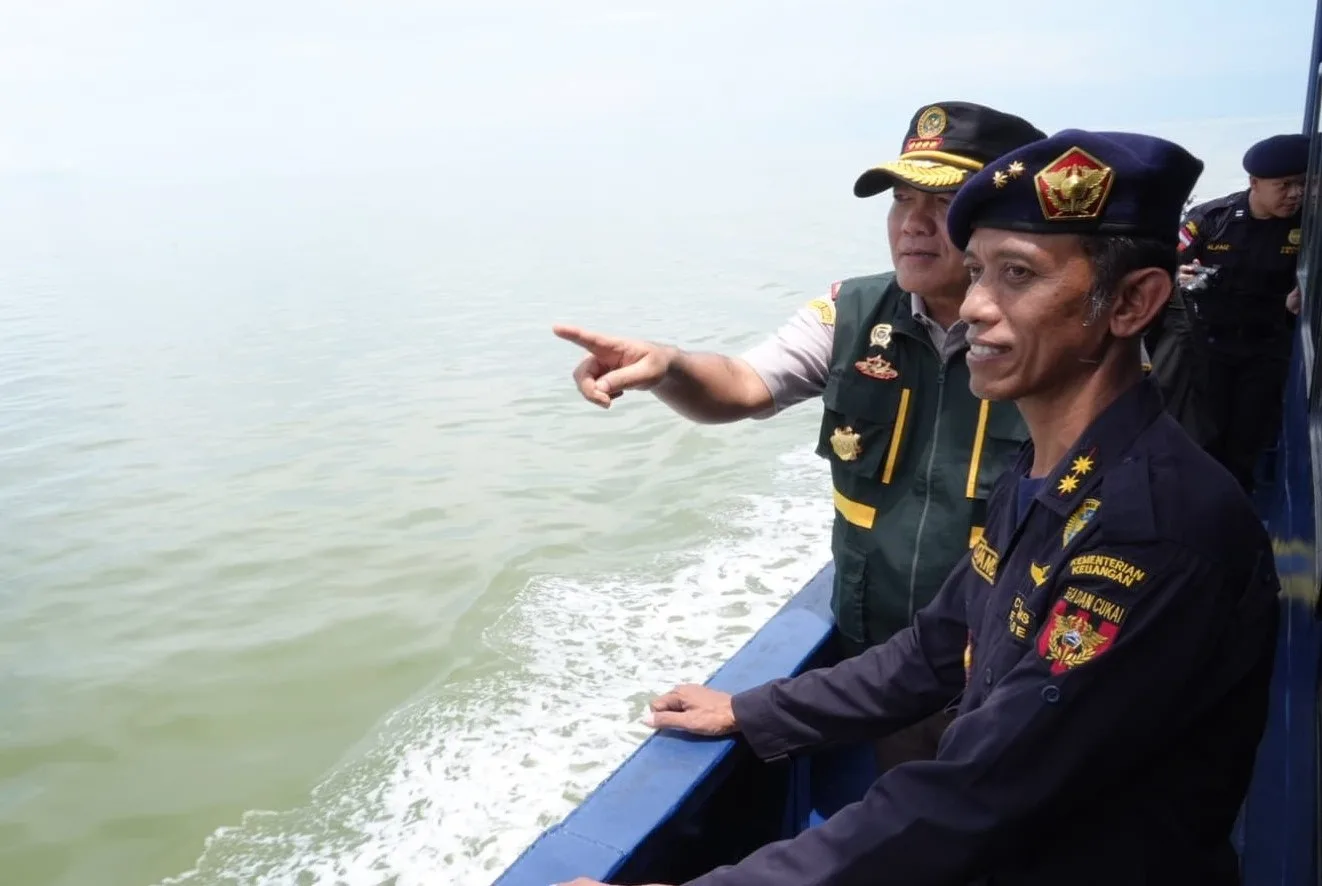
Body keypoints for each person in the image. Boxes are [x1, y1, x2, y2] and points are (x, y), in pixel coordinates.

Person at [559, 129, 1281, 886]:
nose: (974, 308)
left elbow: (980, 793)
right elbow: (937, 647)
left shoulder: (1148, 533)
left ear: (1132, 302)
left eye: (1016, 275)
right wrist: (756, 711)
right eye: (975, 273)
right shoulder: (1052, 470)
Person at [553, 102, 1046, 770]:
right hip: (884, 672)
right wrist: (667, 367)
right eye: (902, 200)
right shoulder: (853, 314)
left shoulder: (1056, 344)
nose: (913, 223)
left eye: (946, 201)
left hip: (1014, 679)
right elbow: (743, 383)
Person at [1160, 132, 1308, 492]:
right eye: (1285, 184)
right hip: (1209, 346)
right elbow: (1166, 262)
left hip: (1267, 348)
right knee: (1203, 434)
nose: (1295, 194)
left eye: (1302, 185)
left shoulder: (1306, 224)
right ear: (1254, 183)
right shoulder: (1211, 220)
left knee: (1248, 438)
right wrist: (1177, 275)